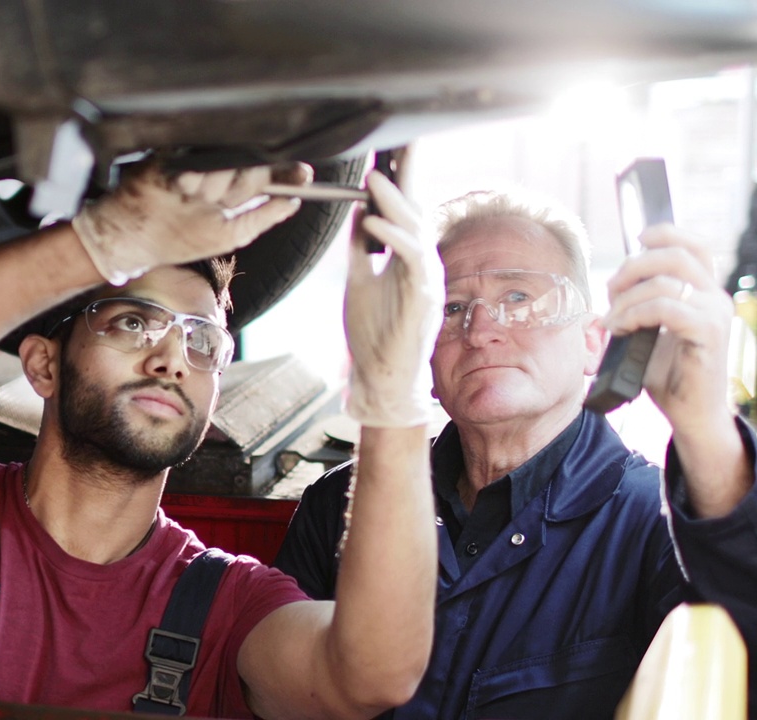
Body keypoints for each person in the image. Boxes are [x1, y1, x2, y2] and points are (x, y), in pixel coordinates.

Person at [0, 161, 446, 719]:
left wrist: (392, 392)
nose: (172, 359)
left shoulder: (226, 605)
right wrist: (102, 241)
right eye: (133, 322)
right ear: (44, 366)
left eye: (201, 342)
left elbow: (371, 677)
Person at [274, 188, 757, 719]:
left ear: (594, 343)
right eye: (453, 307)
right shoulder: (339, 504)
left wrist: (707, 427)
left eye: (519, 299)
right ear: (424, 359)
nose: (481, 331)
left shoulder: (652, 523)